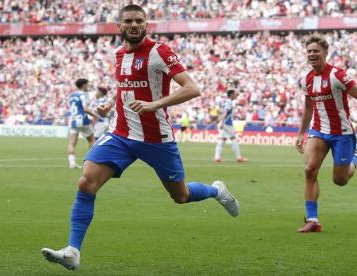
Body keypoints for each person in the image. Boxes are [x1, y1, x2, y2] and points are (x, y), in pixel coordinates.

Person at [41, 4, 239, 270]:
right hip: (121, 134)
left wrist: (154, 105)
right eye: (129, 21)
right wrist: (110, 104)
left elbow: (192, 88)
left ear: (146, 25)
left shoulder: (160, 52)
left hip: (156, 138)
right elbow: (125, 85)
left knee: (180, 196)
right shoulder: (119, 54)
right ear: (119, 27)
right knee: (86, 183)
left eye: (139, 21)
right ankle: (73, 251)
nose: (134, 25)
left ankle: (217, 191)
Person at [295, 34, 357, 233]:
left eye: (316, 51)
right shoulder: (307, 80)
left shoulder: (337, 75)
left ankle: (354, 157)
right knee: (309, 170)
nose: (312, 54)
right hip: (319, 131)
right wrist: (301, 133)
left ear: (325, 53)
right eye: (309, 51)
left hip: (342, 133)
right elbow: (308, 108)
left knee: (340, 180)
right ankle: (313, 219)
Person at [67, 78, 97, 169]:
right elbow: (85, 109)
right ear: (83, 85)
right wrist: (95, 116)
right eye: (87, 84)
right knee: (91, 140)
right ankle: (90, 162)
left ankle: (72, 163)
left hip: (73, 120)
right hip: (82, 120)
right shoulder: (83, 95)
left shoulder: (72, 95)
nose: (88, 86)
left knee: (72, 143)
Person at [214, 89, 247, 163]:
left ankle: (217, 157)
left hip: (225, 123)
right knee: (233, 138)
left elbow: (229, 113)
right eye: (235, 94)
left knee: (222, 140)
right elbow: (226, 112)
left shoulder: (229, 102)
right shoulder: (229, 102)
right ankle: (238, 157)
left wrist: (220, 120)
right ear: (231, 95)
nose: (236, 95)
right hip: (227, 124)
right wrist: (222, 122)